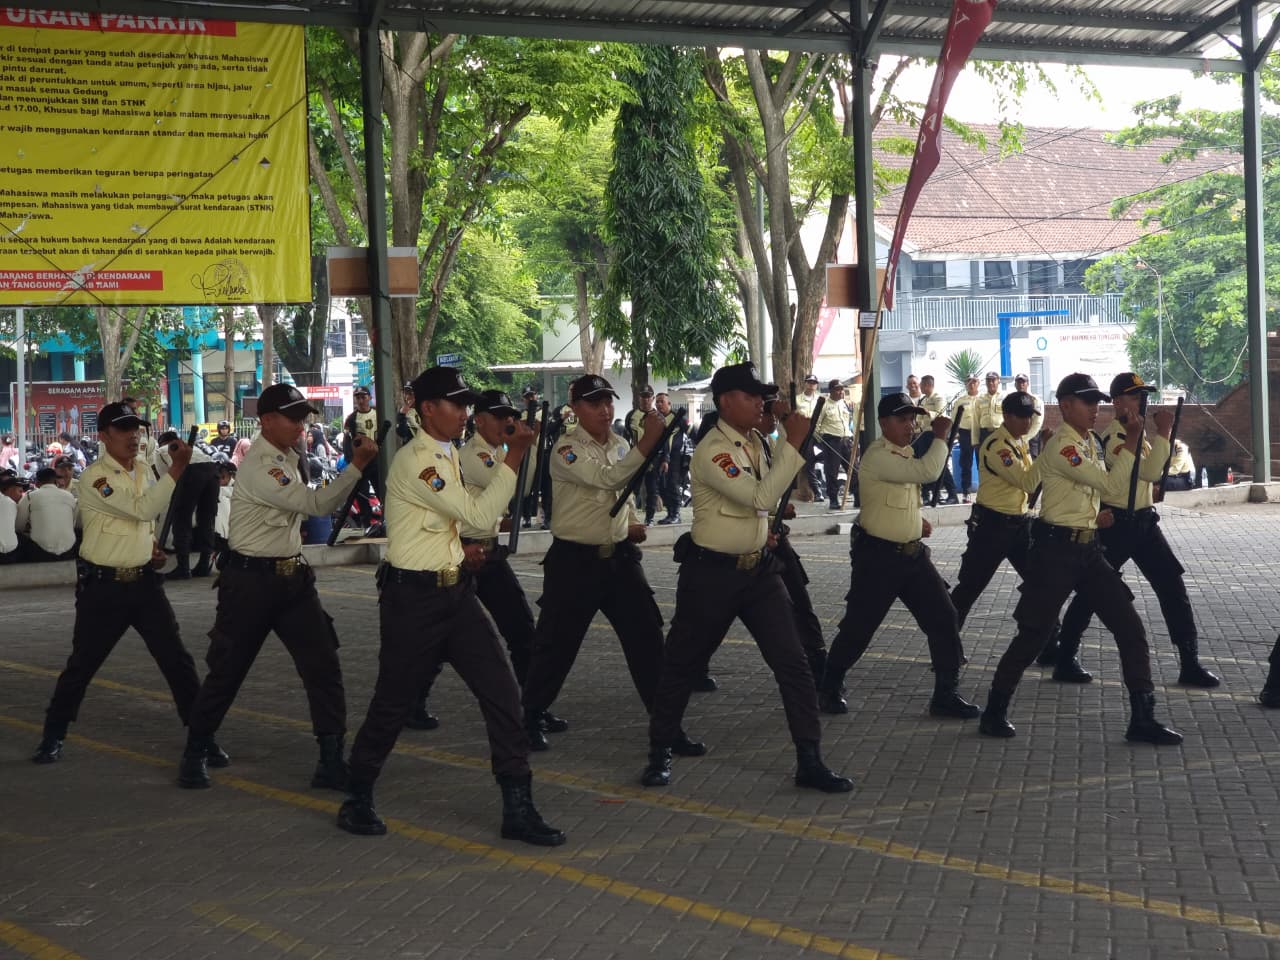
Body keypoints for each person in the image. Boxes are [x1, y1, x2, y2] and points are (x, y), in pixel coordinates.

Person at [338, 367, 564, 847]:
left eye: (465, 404)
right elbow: (479, 513)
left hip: (455, 591)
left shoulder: (444, 453)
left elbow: (440, 523)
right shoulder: (420, 461)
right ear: (427, 409)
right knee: (393, 701)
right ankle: (357, 793)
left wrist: (457, 549)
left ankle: (518, 805)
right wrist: (516, 453)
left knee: (502, 693)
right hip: (413, 600)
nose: (464, 413)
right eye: (455, 404)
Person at [643, 363, 851, 792]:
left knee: (793, 664)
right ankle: (660, 750)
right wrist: (793, 441)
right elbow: (759, 495)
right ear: (725, 402)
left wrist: (765, 528)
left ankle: (810, 759)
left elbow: (767, 497)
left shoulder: (756, 441)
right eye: (751, 395)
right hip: (712, 574)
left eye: (762, 396)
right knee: (681, 663)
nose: (761, 403)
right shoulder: (713, 450)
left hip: (758, 571)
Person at [176, 384, 379, 790]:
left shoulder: (288, 458)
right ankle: (195, 750)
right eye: (293, 418)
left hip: (292, 579)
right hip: (251, 582)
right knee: (228, 670)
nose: (301, 426)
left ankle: (330, 758)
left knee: (323, 664)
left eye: (303, 418)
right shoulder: (262, 465)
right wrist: (356, 466)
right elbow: (317, 505)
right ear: (267, 421)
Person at [977, 373, 1182, 745]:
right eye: (1087, 402)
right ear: (1066, 405)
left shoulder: (1088, 441)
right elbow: (1110, 485)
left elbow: (1087, 490)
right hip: (1056, 553)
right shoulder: (1064, 446)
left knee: (1130, 627)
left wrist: (1091, 516)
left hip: (1087, 548)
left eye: (1097, 402)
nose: (1095, 409)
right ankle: (994, 709)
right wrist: (1133, 440)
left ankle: (1143, 716)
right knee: (1034, 635)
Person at [30, 402, 207, 764]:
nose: (133, 436)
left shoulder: (142, 469)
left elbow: (143, 521)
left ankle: (203, 736)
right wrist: (177, 468)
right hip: (104, 588)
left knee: (177, 661)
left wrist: (151, 547)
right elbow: (141, 509)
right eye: (124, 429)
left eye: (137, 429)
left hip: (144, 583)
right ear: (104, 436)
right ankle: (53, 734)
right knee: (82, 665)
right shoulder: (96, 478)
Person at [520, 373, 677, 753]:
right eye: (594, 403)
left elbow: (626, 490)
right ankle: (529, 716)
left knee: (647, 640)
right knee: (557, 645)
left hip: (620, 559)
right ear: (575, 409)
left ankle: (667, 727)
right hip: (575, 562)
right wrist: (649, 442)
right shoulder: (566, 449)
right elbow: (607, 480)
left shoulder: (621, 444)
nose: (605, 410)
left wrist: (632, 520)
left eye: (608, 401)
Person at [405, 390, 564, 736]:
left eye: (511, 416)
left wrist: (529, 446)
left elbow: (525, 484)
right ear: (480, 420)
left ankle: (533, 708)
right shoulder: (473, 455)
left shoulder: (499, 453)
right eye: (500, 416)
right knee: (444, 635)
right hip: (464, 554)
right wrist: (521, 449)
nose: (508, 422)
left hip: (489, 553)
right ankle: (411, 701)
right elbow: (509, 487)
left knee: (521, 629)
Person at [1050, 373, 1219, 688]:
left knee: (1172, 586)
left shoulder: (1137, 435)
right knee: (1092, 592)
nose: (1142, 402)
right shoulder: (1115, 439)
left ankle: (1190, 661)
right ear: (1117, 402)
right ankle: (1065, 656)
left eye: (1143, 396)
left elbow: (1150, 476)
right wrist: (1164, 431)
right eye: (1134, 396)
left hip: (1143, 521)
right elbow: (1152, 471)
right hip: (1117, 525)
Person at [817, 394, 980, 721]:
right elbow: (928, 471)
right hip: (879, 559)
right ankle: (829, 683)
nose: (910, 426)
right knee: (860, 627)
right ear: (884, 423)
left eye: (912, 419)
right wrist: (941, 436)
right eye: (902, 419)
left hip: (912, 556)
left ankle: (945, 694)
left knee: (944, 617)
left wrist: (914, 522)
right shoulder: (878, 456)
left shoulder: (903, 453)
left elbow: (898, 499)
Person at [948, 392, 1042, 637]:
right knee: (969, 588)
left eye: (1030, 417)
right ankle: (946, 645)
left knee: (1039, 585)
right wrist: (1047, 454)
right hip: (993, 527)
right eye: (1022, 417)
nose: (1028, 422)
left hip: (1020, 525)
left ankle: (1046, 641)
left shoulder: (1019, 442)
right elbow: (1028, 482)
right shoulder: (997, 446)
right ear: (1007, 417)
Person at [156, 430, 220, 579]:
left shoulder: (160, 451)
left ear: (162, 443)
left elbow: (167, 479)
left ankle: (183, 568)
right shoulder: (191, 447)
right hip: (212, 470)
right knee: (207, 519)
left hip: (189, 472)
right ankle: (204, 565)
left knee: (181, 519)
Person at [16, 467, 78, 561]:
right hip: (69, 551)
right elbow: (73, 522)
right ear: (55, 481)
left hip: (41, 551)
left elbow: (19, 526)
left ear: (37, 482)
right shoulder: (70, 496)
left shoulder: (30, 497)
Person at [625, 384, 663, 525]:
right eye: (643, 397)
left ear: (652, 398)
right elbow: (626, 436)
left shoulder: (659, 417)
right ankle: (630, 517)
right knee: (632, 488)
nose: (645, 400)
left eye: (648, 397)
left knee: (652, 489)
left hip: (653, 458)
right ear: (639, 398)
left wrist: (665, 459)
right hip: (636, 457)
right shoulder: (631, 415)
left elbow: (664, 440)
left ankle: (650, 518)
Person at [918, 375, 958, 506]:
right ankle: (928, 495)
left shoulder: (938, 398)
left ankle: (952, 494)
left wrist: (927, 412)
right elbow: (919, 419)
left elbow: (940, 415)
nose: (920, 387)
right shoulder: (923, 399)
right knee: (924, 464)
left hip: (936, 435)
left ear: (928, 385)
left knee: (941, 465)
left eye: (921, 385)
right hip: (923, 434)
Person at [815, 379, 854, 510]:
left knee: (853, 468)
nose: (841, 392)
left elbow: (848, 421)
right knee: (832, 472)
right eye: (837, 389)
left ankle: (857, 495)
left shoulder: (844, 404)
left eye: (842, 389)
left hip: (846, 440)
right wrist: (822, 442)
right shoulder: (824, 405)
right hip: (832, 441)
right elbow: (816, 426)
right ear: (831, 391)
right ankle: (833, 499)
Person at [344, 386, 380, 526]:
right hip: (361, 462)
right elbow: (347, 442)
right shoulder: (351, 419)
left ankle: (385, 520)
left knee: (382, 491)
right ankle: (366, 523)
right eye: (358, 398)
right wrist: (351, 462)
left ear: (369, 398)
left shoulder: (378, 414)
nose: (361, 400)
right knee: (361, 493)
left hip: (377, 461)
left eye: (363, 397)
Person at [654, 392, 688, 525]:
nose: (659, 404)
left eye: (661, 401)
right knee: (663, 486)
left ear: (669, 404)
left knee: (673, 484)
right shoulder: (655, 418)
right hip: (659, 457)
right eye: (657, 401)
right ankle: (670, 513)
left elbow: (690, 433)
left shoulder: (677, 418)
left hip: (675, 458)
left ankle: (676, 514)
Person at [795, 373, 823, 501]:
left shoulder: (821, 399)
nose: (811, 385)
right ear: (805, 383)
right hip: (806, 435)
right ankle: (817, 491)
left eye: (814, 383)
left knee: (830, 458)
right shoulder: (797, 399)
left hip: (820, 434)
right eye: (809, 382)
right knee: (809, 463)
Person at [955, 374, 980, 500]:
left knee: (983, 463)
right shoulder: (960, 401)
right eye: (969, 382)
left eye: (974, 382)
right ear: (965, 384)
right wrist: (957, 434)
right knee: (966, 463)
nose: (972, 384)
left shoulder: (983, 399)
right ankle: (966, 491)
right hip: (965, 433)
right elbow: (954, 419)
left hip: (980, 432)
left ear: (978, 383)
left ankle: (985, 490)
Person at [1012, 374, 1044, 456]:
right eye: (1018, 382)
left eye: (1023, 382)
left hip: (1031, 437)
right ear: (1015, 384)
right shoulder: (1011, 400)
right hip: (1016, 437)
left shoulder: (1036, 400)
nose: (1021, 385)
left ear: (1028, 384)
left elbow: (1037, 423)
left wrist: (1026, 438)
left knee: (1032, 461)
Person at [0, 475, 23, 564]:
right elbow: (19, 527)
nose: (21, 495)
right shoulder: (12, 504)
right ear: (10, 490)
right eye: (20, 491)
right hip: (10, 554)